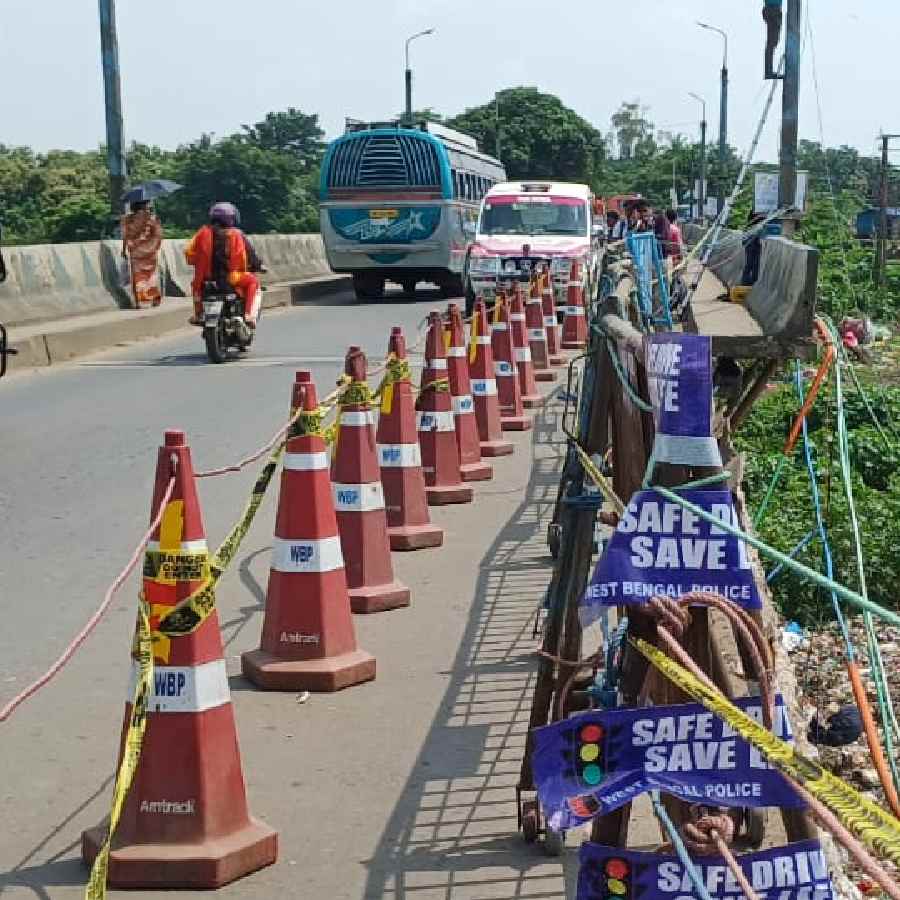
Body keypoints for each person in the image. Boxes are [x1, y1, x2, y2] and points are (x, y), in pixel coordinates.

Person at [185, 202, 262, 327]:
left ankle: (198, 313)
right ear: (231, 218)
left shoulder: (202, 233)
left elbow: (189, 255)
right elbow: (250, 255)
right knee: (253, 282)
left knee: (196, 287)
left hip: (205, 279)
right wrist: (257, 265)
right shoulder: (236, 234)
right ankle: (249, 315)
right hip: (231, 278)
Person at [121, 200, 163, 308]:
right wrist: (156, 246)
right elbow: (158, 234)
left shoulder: (127, 219)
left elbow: (125, 235)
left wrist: (124, 249)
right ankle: (154, 297)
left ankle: (139, 301)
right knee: (151, 275)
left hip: (135, 250)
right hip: (150, 251)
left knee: (137, 277)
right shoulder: (152, 218)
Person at [763, 0, 784, 80]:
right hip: (774, 10)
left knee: (772, 42)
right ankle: (768, 72)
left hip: (770, 9)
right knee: (772, 42)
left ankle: (768, 71)